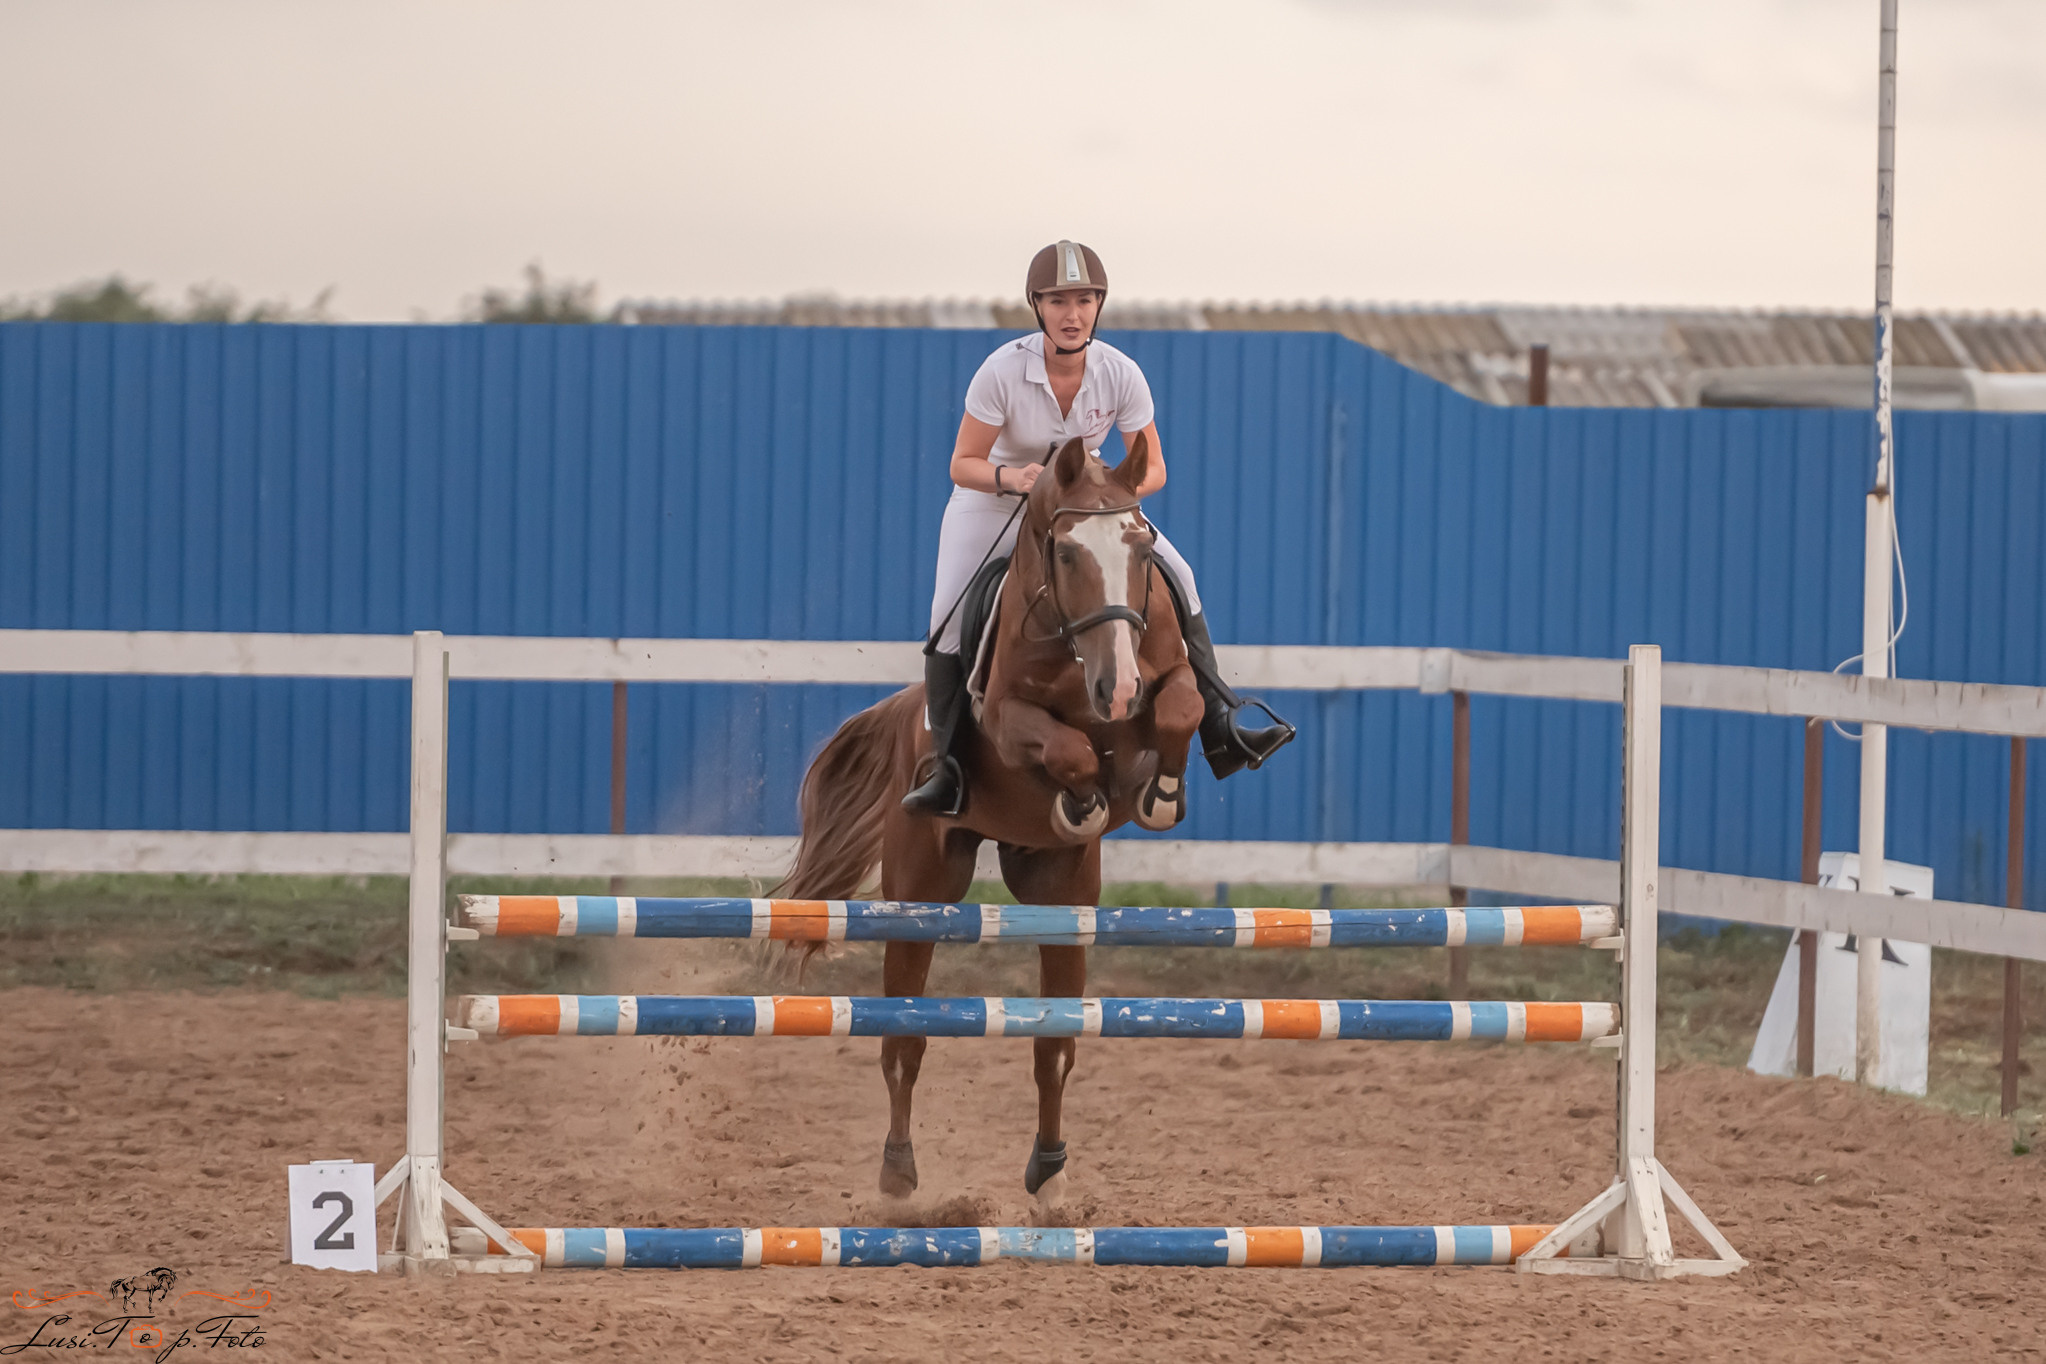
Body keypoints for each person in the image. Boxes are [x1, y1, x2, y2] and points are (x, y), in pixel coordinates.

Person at [902, 240, 1295, 816]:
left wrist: (1111, 496)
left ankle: (1219, 723)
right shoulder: (1002, 371)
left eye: (1084, 301)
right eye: (1059, 301)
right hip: (997, 502)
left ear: (1098, 306)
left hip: (1089, 509)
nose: (1073, 314)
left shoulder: (1120, 373)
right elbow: (963, 463)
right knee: (949, 617)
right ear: (1037, 307)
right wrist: (1013, 478)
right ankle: (946, 766)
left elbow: (1154, 468)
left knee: (1181, 576)